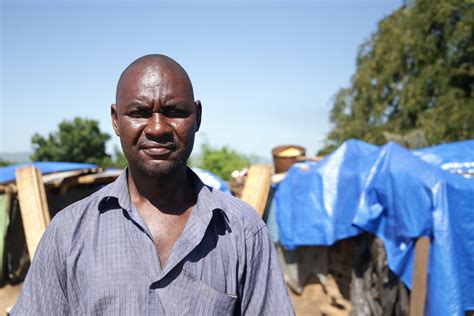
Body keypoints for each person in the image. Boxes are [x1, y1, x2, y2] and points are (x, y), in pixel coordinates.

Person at [12, 54, 294, 315]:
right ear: (116, 120)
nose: (158, 128)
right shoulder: (67, 233)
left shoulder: (243, 231)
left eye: (174, 111)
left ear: (197, 117)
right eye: (139, 112)